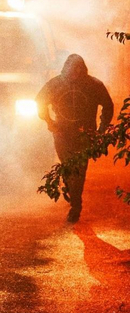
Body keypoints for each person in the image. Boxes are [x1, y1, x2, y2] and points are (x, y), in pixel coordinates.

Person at [36, 54, 114, 223]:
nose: (75, 72)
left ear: (82, 69)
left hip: (84, 134)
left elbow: (108, 106)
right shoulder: (56, 83)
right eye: (72, 68)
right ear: (66, 68)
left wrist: (101, 129)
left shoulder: (93, 85)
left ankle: (76, 206)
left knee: (79, 169)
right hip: (62, 133)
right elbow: (40, 101)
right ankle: (73, 193)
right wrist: (50, 122)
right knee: (67, 167)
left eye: (78, 69)